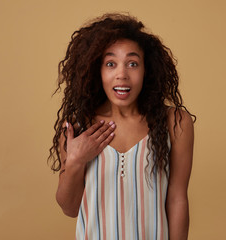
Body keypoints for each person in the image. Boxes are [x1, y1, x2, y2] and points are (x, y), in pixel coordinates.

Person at [48, 13, 195, 240]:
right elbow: (69, 208)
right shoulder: (78, 127)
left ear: (147, 70)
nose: (122, 74)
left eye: (132, 63)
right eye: (110, 64)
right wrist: (75, 160)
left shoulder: (175, 123)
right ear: (98, 70)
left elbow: (177, 199)